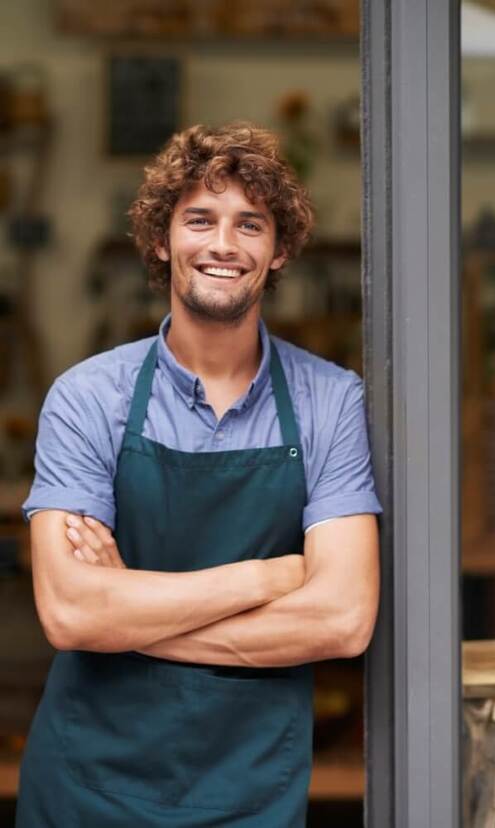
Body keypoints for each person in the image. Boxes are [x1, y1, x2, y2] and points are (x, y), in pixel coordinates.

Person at [16, 122, 382, 828]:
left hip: (250, 787)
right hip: (90, 786)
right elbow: (68, 612)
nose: (224, 244)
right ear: (160, 240)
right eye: (199, 220)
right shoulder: (88, 397)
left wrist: (127, 616)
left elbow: (341, 619)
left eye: (251, 224)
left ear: (278, 253)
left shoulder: (330, 401)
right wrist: (267, 578)